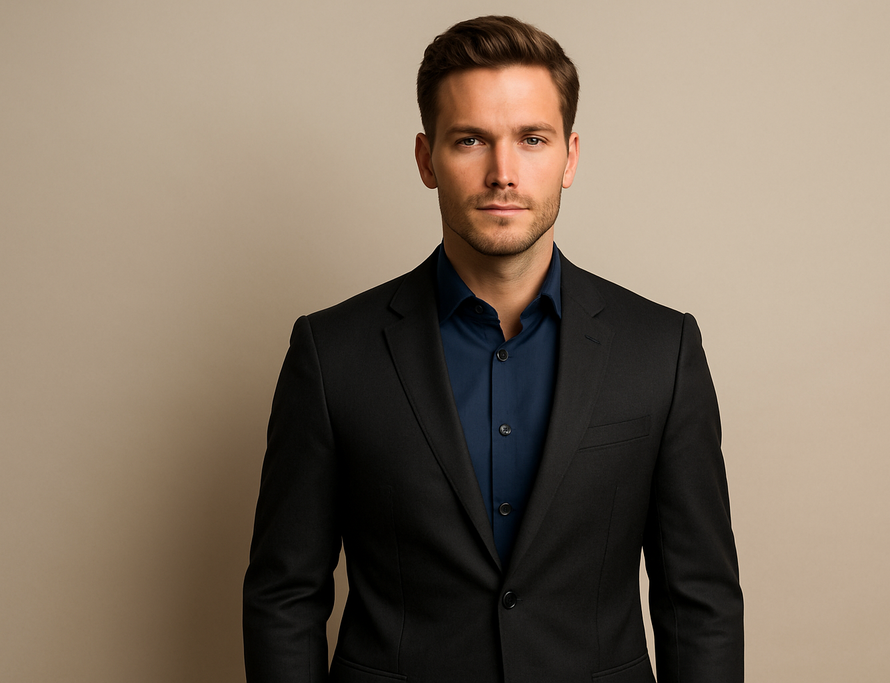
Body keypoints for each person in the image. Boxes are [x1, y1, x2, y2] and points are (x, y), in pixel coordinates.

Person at [242, 15, 742, 683]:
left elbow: (700, 599)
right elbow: (285, 595)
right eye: (471, 139)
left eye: (531, 139)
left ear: (569, 157)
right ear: (427, 159)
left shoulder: (663, 348)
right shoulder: (331, 353)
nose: (502, 172)